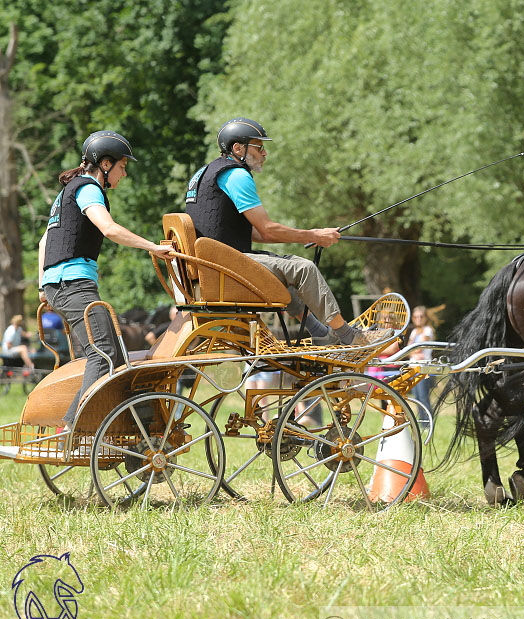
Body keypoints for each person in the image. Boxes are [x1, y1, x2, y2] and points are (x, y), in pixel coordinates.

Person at [185, 117, 363, 345]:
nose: (264, 153)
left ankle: (319, 333)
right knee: (304, 269)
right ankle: (348, 336)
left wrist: (308, 236)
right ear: (238, 148)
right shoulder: (237, 175)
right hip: (225, 266)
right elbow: (267, 230)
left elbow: (240, 231)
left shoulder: (204, 174)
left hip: (212, 264)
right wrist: (314, 235)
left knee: (283, 272)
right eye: (258, 147)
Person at [38, 130, 172, 429]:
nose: (124, 174)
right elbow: (109, 229)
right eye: (123, 167)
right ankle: (72, 428)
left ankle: (127, 429)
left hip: (60, 286)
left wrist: (43, 287)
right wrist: (154, 247)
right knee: (105, 354)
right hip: (74, 286)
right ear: (106, 164)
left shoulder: (66, 192)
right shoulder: (88, 187)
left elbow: (44, 242)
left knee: (115, 356)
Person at [408, 305, 436, 425]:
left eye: (421, 316)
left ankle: (427, 423)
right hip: (413, 367)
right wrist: (412, 350)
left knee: (424, 398)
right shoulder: (414, 331)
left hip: (423, 368)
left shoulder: (428, 330)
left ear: (425, 317)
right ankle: (421, 422)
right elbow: (409, 349)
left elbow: (418, 348)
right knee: (417, 398)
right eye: (416, 317)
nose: (418, 319)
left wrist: (411, 350)